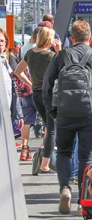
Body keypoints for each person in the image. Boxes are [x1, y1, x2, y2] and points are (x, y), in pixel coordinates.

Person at [42, 20, 92, 215]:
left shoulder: (60, 57)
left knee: (64, 152)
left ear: (72, 39)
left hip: (64, 114)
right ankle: (85, 201)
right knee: (86, 156)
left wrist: (53, 112)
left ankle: (65, 187)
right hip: (90, 115)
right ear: (90, 38)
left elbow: (47, 87)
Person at [14, 27, 59, 174]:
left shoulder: (29, 53)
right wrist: (59, 50)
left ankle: (45, 157)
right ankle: (45, 163)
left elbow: (17, 72)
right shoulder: (51, 55)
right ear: (49, 39)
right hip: (50, 94)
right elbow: (65, 68)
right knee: (52, 129)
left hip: (36, 94)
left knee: (48, 126)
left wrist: (31, 84)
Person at [9, 40, 36, 161]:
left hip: (25, 93)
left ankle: (25, 149)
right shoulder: (42, 54)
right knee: (48, 121)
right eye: (18, 45)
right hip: (39, 92)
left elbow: (17, 73)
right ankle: (46, 152)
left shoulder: (21, 57)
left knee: (27, 121)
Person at [0, 29, 24, 141]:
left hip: (6, 112)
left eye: (2, 41)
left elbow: (12, 88)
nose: (0, 43)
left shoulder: (4, 62)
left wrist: (18, 114)